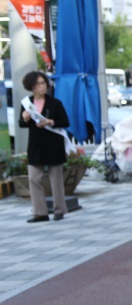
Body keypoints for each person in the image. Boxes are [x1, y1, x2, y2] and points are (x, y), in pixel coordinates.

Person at [19, 71, 70, 223]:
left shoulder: (55, 103)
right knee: (34, 178)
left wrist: (50, 122)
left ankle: (59, 210)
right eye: (37, 84)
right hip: (36, 144)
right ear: (31, 87)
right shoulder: (27, 103)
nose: (41, 87)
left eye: (43, 83)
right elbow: (22, 124)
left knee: (56, 179)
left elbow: (65, 122)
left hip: (53, 143)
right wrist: (25, 118)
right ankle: (39, 212)